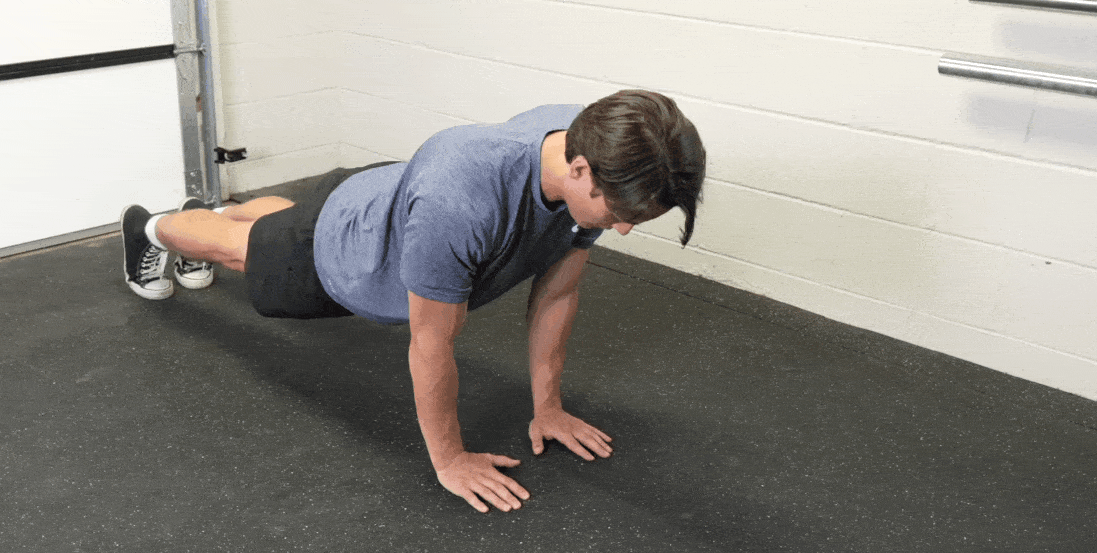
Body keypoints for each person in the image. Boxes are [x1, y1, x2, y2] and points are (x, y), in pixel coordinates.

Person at [119, 89, 706, 513]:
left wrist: (547, 408)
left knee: (282, 221)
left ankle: (210, 214)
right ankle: (150, 228)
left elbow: (559, 291)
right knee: (240, 249)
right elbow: (430, 344)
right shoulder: (462, 204)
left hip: (384, 193)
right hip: (345, 256)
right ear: (579, 168)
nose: (622, 229)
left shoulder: (594, 137)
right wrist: (450, 460)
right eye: (619, 214)